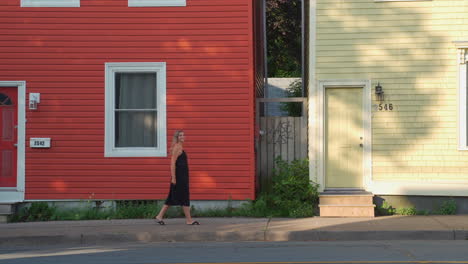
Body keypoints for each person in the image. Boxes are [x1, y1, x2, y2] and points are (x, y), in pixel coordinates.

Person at [154, 130, 200, 225]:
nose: (182, 137)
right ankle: (189, 220)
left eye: (183, 135)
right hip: (179, 178)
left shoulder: (180, 147)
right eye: (180, 135)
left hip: (183, 177)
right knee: (183, 197)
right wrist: (174, 178)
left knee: (174, 198)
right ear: (177, 137)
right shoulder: (177, 148)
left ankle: (159, 216)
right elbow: (172, 164)